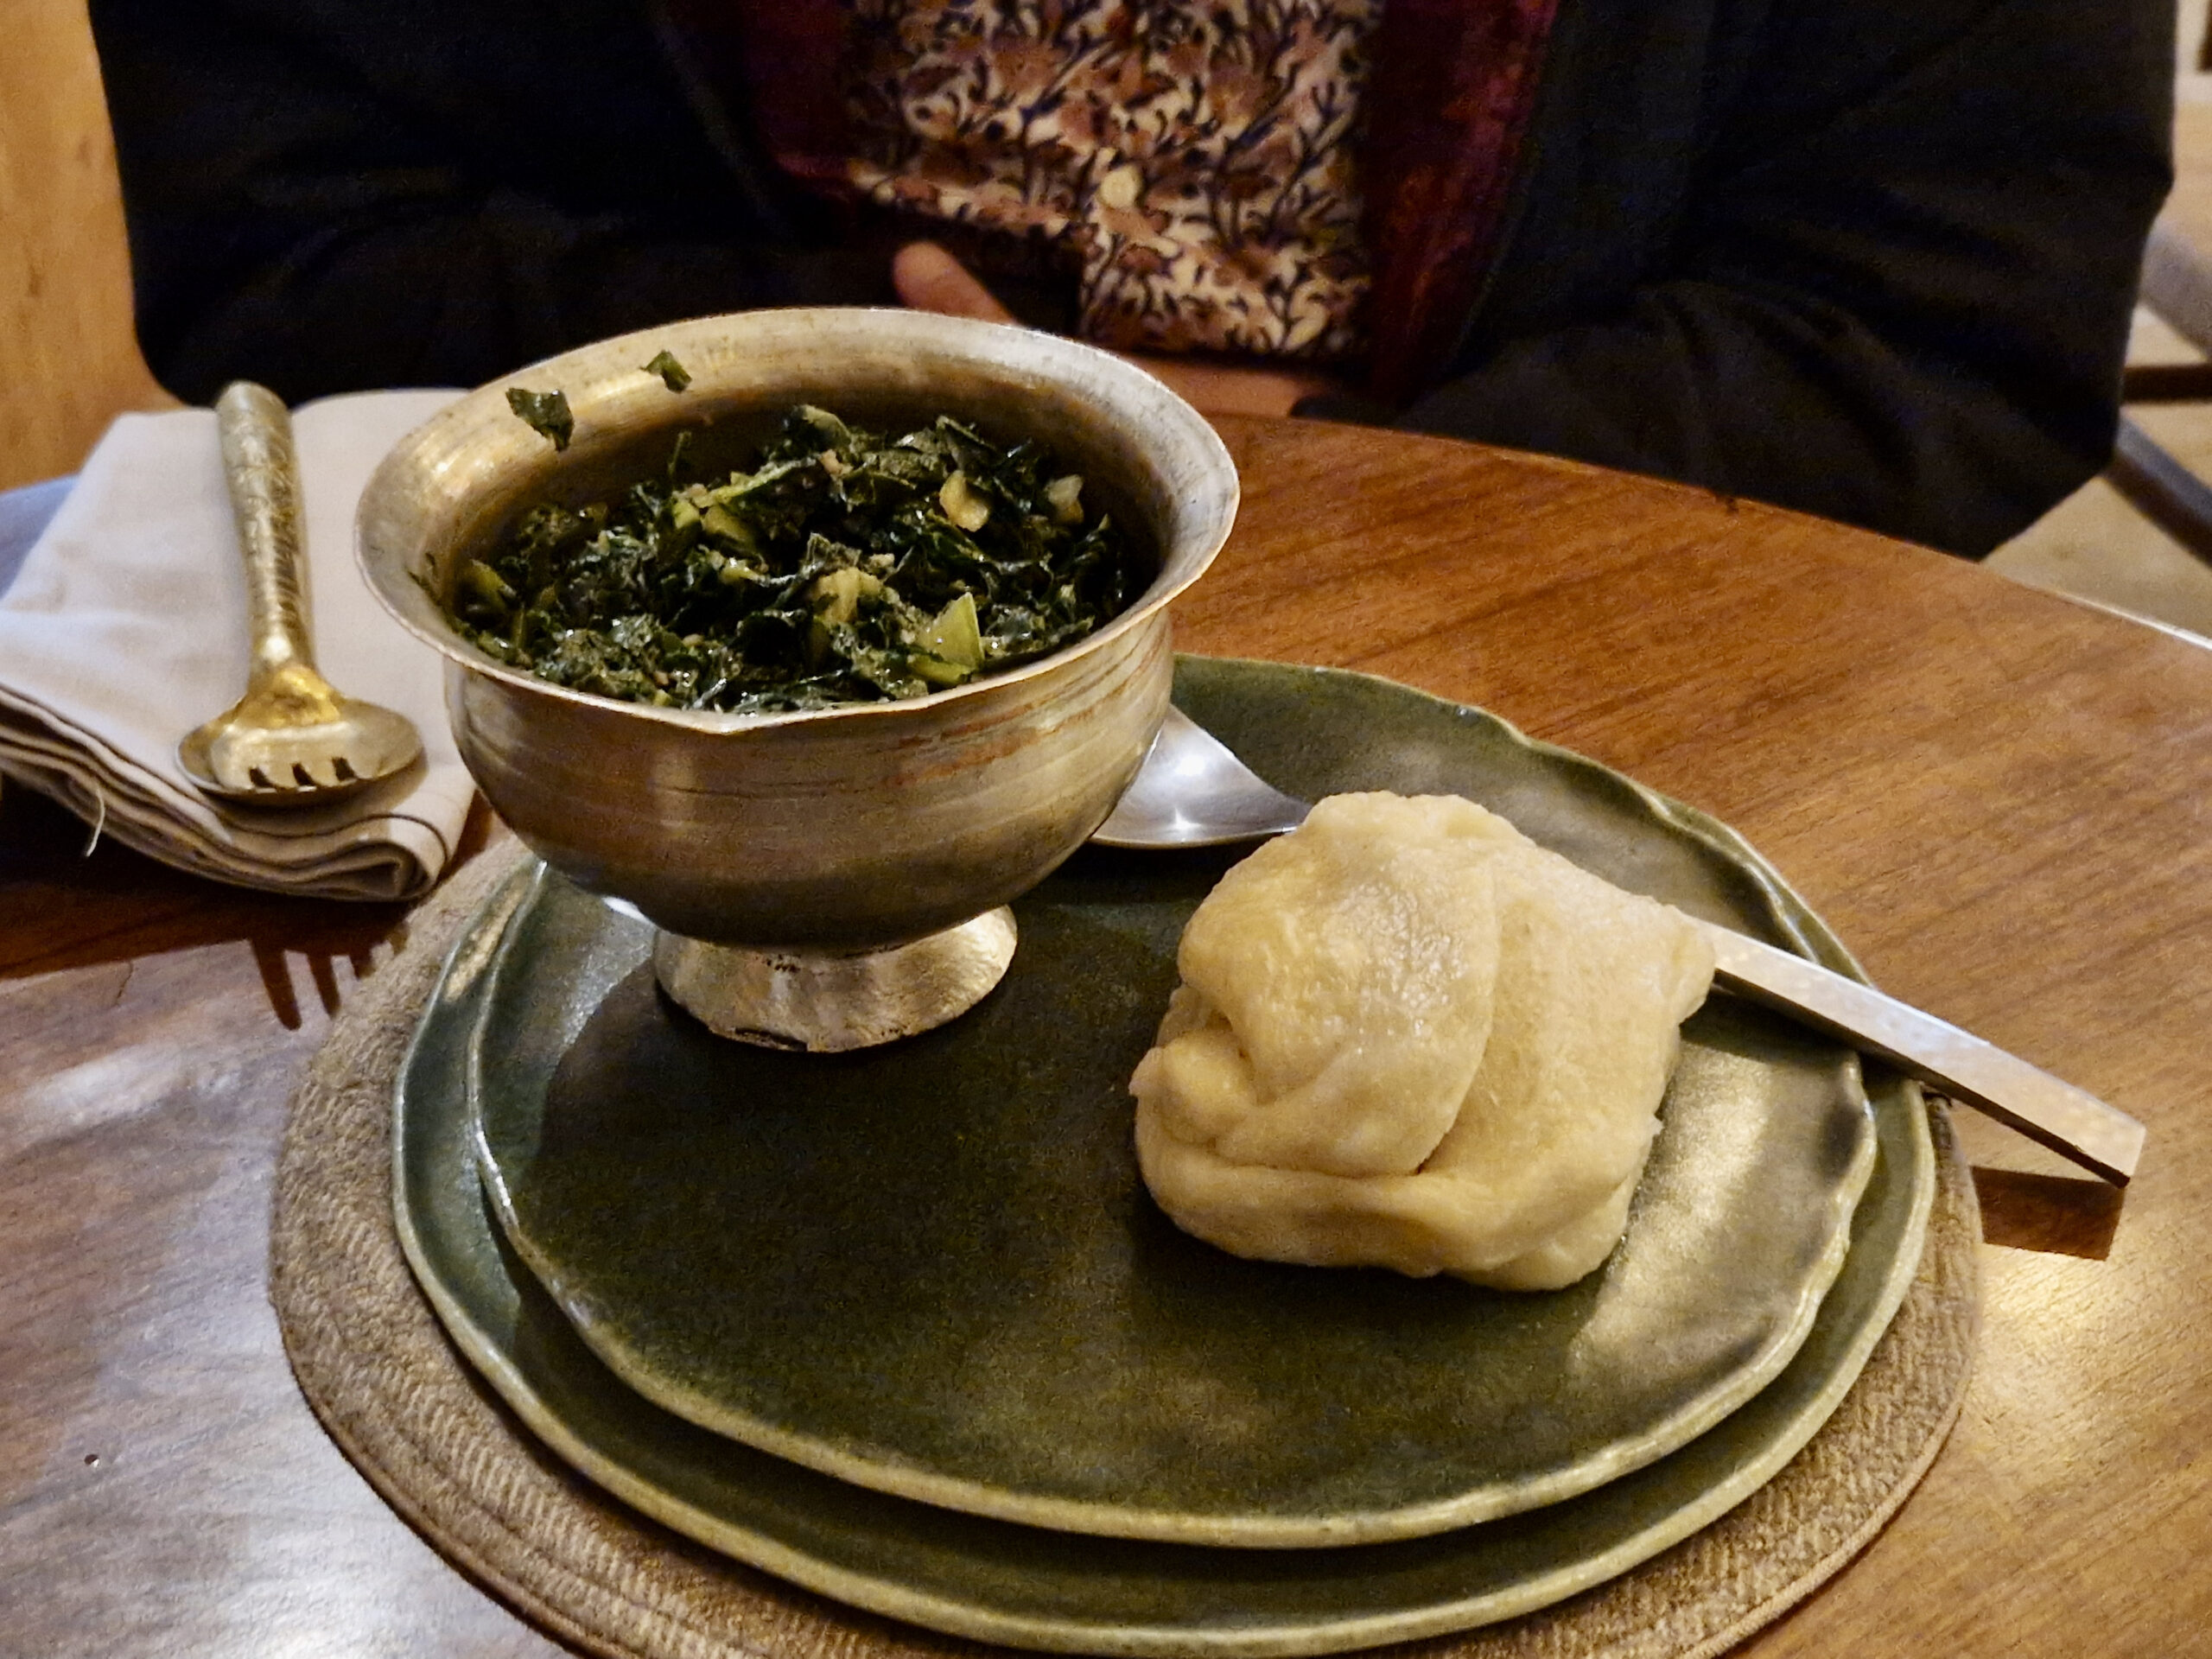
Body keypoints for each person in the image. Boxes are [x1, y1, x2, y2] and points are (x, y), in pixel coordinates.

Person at [87, 0, 2171, 556]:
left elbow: (1930, 335)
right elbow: (291, 248)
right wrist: (839, 357)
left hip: (1580, 587)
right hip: (605, 617)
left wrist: (1370, 485)